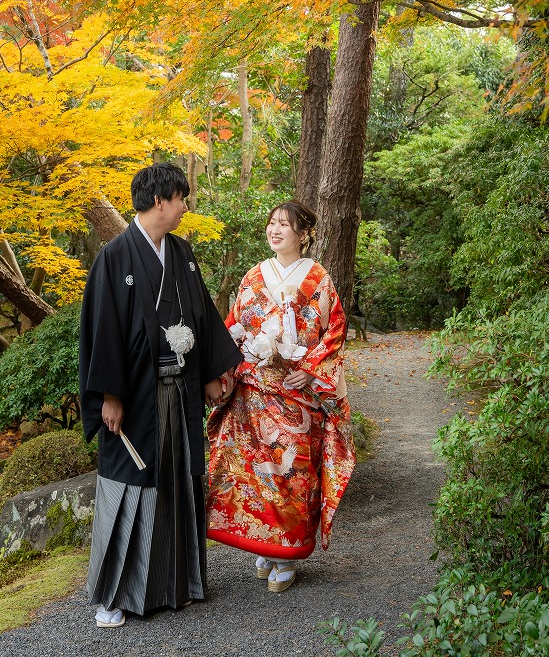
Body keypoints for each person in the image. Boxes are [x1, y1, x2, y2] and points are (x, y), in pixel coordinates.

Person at [79, 162, 242, 627]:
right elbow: (103, 331)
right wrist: (109, 395)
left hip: (180, 391)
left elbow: (202, 316)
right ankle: (113, 595)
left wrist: (211, 373)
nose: (185, 206)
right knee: (130, 486)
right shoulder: (114, 257)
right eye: (180, 198)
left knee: (177, 483)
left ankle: (175, 584)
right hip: (134, 399)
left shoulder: (182, 254)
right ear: (159, 201)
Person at [206, 201, 355, 593]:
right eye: (272, 224)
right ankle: (266, 543)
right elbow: (234, 325)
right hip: (256, 388)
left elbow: (335, 328)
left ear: (303, 234)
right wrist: (228, 367)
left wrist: (310, 368)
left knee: (293, 473)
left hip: (298, 391)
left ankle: (286, 552)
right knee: (258, 471)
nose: (275, 230)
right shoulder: (254, 276)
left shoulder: (318, 277)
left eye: (284, 225)